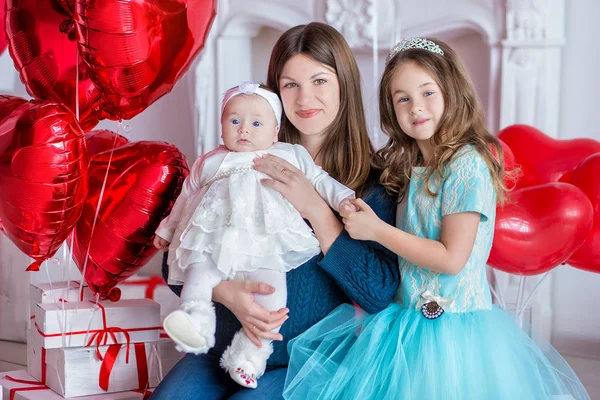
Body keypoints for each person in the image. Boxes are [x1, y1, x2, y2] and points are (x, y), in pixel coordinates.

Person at [283, 37, 591, 400]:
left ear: (452, 92)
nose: (417, 108)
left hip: (456, 332)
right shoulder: (407, 167)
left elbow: (451, 258)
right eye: (403, 98)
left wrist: (376, 231)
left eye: (428, 93)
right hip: (402, 324)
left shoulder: (467, 164)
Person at [150, 22, 399, 400]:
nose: (304, 99)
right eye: (290, 85)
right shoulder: (238, 161)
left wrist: (318, 210)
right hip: (221, 345)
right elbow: (173, 262)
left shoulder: (372, 182)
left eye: (319, 81)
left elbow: (378, 291)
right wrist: (223, 291)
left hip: (308, 361)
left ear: (343, 85)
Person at [154, 81, 356, 389]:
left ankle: (250, 356)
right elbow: (185, 197)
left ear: (275, 132)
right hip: (214, 240)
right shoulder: (210, 161)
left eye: (256, 123)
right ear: (221, 126)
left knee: (272, 296)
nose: (244, 129)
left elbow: (319, 179)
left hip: (265, 245)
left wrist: (342, 199)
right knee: (200, 271)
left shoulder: (288, 154)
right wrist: (167, 230)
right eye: (234, 121)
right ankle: (196, 319)